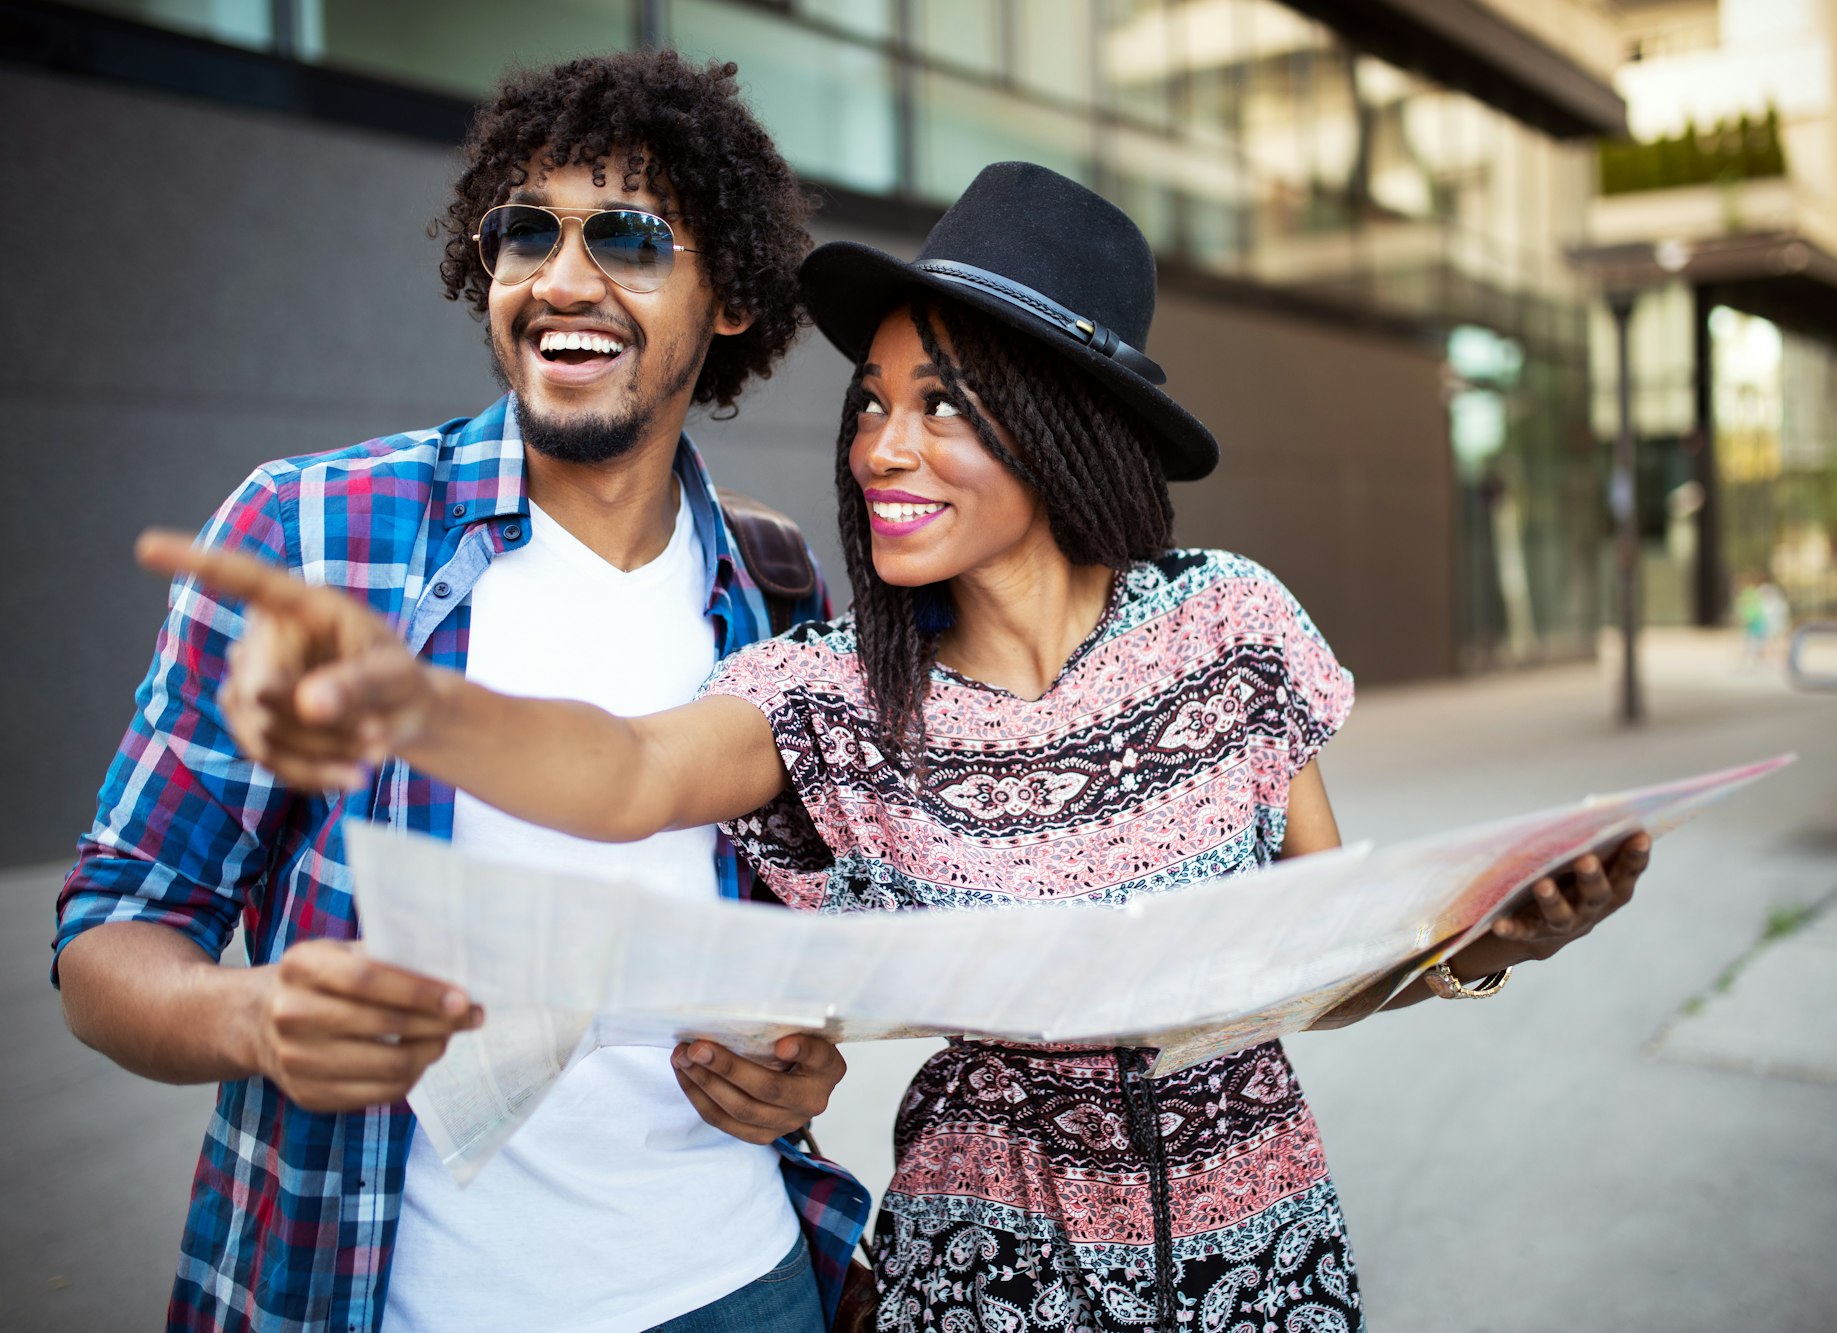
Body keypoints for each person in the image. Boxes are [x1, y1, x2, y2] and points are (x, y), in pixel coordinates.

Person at [144, 163, 1650, 1332]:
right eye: (873, 404)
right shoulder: (834, 692)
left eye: (943, 406)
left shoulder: (1232, 627)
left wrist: (1486, 940)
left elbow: (1329, 958)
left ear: (1062, 427)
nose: (880, 447)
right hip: (973, 1263)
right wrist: (412, 702)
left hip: (1257, 1247)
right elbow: (626, 775)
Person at [54, 49, 869, 1333]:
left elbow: (782, 946)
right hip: (390, 1292)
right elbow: (109, 936)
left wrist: (794, 1071)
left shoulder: (771, 581)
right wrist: (253, 1016)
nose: (560, 277)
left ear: (729, 299)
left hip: (740, 1282)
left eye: (630, 237)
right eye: (525, 231)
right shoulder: (312, 535)